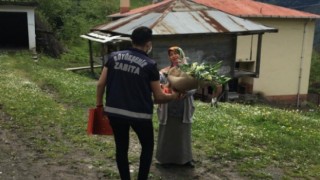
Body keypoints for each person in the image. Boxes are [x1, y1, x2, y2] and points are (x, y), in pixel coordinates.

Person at [96, 26, 181, 180]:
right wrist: (174, 96)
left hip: (115, 112)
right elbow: (159, 97)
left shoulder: (114, 57)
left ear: (132, 40)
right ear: (148, 44)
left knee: (121, 148)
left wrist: (100, 106)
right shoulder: (150, 64)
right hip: (139, 114)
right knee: (147, 147)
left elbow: (100, 84)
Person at [156, 46, 196, 168]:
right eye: (171, 54)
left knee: (183, 132)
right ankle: (165, 159)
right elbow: (160, 85)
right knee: (167, 132)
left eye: (177, 53)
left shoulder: (190, 70)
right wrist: (169, 90)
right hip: (168, 104)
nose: (174, 56)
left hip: (184, 105)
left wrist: (185, 92)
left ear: (182, 55)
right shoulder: (164, 71)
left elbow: (195, 87)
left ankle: (185, 159)